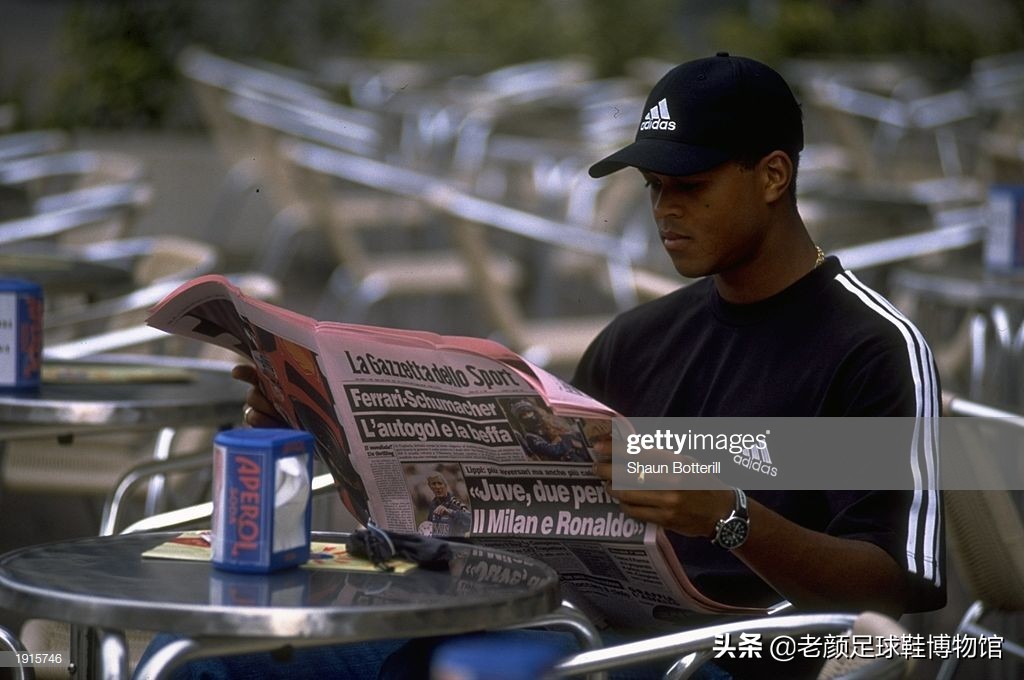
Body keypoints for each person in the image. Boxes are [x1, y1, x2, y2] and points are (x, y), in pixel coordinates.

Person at [211, 53, 943, 679]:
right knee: (216, 664)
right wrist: (325, 427)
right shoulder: (639, 340)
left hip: (722, 659)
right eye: (654, 186)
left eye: (690, 186)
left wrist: (729, 517)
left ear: (773, 175)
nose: (664, 209)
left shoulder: (870, 348)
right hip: (557, 628)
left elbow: (889, 590)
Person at [509, 399, 591, 462]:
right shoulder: (531, 437)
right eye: (524, 415)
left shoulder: (548, 422)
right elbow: (554, 451)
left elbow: (572, 435)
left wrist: (566, 439)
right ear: (521, 419)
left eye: (529, 412)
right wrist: (568, 442)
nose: (528, 416)